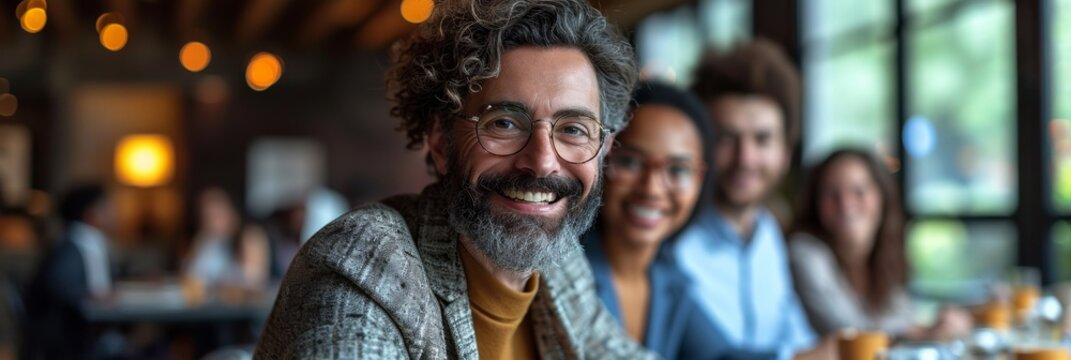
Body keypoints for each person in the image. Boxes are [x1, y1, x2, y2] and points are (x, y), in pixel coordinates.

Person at [254, 0, 650, 358]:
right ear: (440, 142)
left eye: (574, 129)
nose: (543, 162)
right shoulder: (365, 263)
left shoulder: (562, 261)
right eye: (505, 123)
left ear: (604, 146)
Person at [676, 39, 829, 359]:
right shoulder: (671, 240)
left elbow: (799, 338)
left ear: (785, 153)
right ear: (700, 146)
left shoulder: (769, 234)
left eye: (762, 139)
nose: (745, 159)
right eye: (727, 139)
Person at [581, 82, 726, 359]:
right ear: (601, 161)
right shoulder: (564, 270)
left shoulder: (668, 275)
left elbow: (723, 356)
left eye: (678, 170)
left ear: (700, 180)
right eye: (631, 163)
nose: (652, 189)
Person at [789, 149, 972, 340]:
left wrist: (943, 323)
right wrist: (921, 332)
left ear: (881, 197)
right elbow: (847, 334)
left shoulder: (885, 254)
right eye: (831, 193)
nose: (845, 204)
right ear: (816, 202)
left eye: (859, 191)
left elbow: (904, 317)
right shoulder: (804, 253)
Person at [26, 184, 117, 359]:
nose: (114, 213)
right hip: (66, 337)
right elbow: (59, 284)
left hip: (80, 331)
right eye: (106, 207)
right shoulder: (70, 247)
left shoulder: (92, 242)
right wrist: (89, 294)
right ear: (90, 213)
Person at [183, 187, 270, 291]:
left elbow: (254, 279)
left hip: (244, 305)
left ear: (231, 212)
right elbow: (189, 276)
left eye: (216, 215)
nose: (211, 223)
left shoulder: (250, 236)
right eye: (206, 217)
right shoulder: (205, 241)